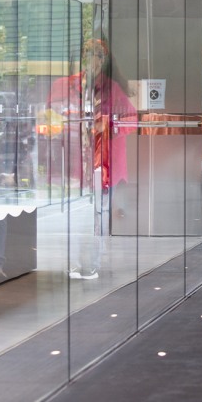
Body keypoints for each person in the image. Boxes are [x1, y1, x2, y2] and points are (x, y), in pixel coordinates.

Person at [67, 39, 137, 280]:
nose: (92, 58)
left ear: (104, 60)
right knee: (77, 213)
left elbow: (131, 119)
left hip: (106, 162)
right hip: (79, 163)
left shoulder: (112, 89)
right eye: (88, 53)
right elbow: (56, 112)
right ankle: (75, 262)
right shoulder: (70, 85)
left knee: (100, 211)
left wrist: (108, 126)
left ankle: (93, 262)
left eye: (97, 54)